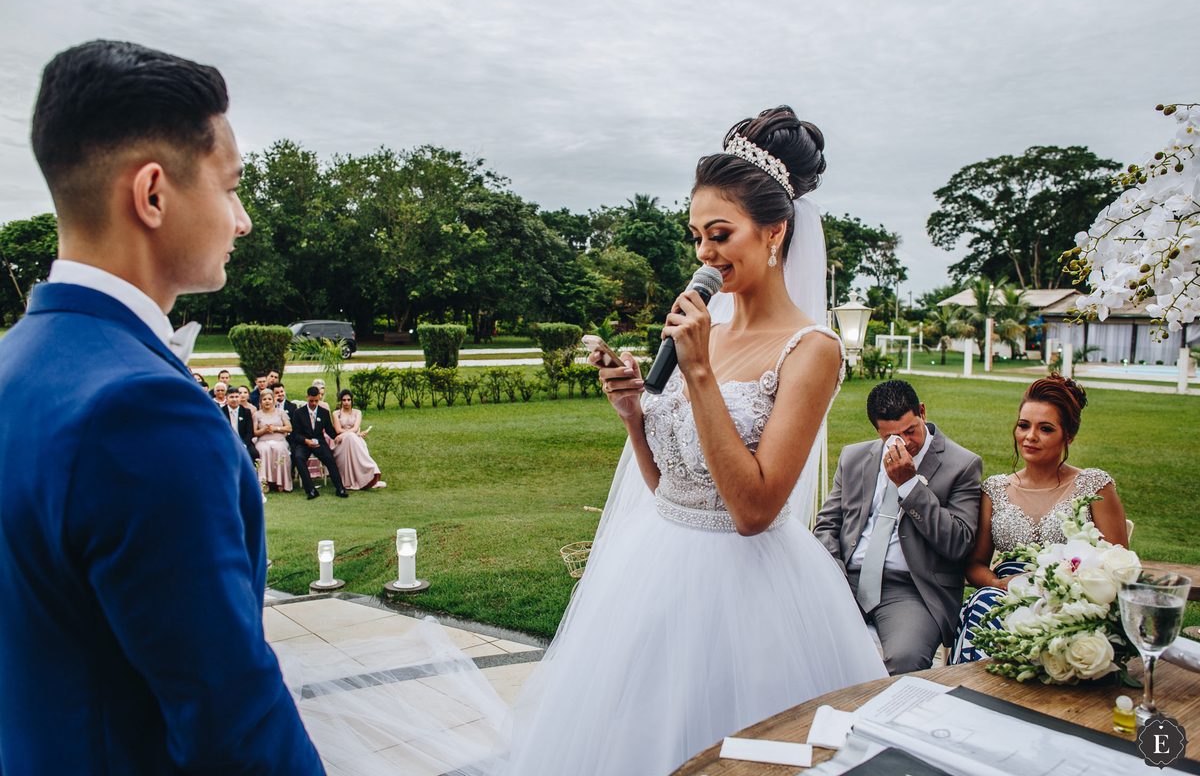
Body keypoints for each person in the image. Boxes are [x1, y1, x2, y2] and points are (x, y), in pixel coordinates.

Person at [276, 107, 887, 776]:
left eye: (720, 234)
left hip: (754, 598)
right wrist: (633, 411)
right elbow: (671, 488)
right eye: (696, 237)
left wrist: (702, 372)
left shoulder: (811, 350)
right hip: (657, 569)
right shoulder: (704, 327)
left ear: (774, 232)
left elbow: (752, 510)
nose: (704, 256)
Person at [0, 40, 321, 773]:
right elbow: (229, 720)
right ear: (152, 194)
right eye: (231, 187)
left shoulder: (13, 364)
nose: (242, 222)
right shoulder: (142, 410)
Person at [951, 374, 1129, 663]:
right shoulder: (995, 490)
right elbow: (974, 565)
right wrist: (1000, 585)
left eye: (1045, 428)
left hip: (1073, 603)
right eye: (1023, 425)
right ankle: (972, 694)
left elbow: (1120, 567)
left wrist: (1069, 593)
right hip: (1005, 595)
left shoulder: (1094, 486)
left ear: (1068, 436)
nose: (1030, 436)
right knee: (983, 604)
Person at [813, 379, 983, 675]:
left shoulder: (962, 465)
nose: (903, 442)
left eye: (910, 431)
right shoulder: (854, 458)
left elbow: (958, 542)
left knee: (905, 660)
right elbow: (827, 524)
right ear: (877, 431)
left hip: (912, 588)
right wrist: (833, 574)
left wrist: (909, 486)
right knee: (797, 639)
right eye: (891, 436)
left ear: (922, 413)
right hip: (847, 579)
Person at [291, 386, 348, 499]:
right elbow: (295, 434)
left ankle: (340, 488)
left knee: (330, 459)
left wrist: (340, 436)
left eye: (316, 400)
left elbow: (329, 430)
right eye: (311, 400)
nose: (313, 403)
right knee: (298, 457)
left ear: (319, 398)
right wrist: (306, 441)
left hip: (319, 442)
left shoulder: (324, 412)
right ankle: (311, 489)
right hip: (304, 443)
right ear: (307, 397)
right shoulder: (298, 413)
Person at [331, 389, 383, 489]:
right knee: (350, 436)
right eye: (344, 400)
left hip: (355, 439)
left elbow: (355, 428)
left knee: (352, 437)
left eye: (348, 400)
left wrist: (346, 434)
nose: (346, 402)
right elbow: (338, 430)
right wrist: (346, 435)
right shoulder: (336, 413)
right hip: (342, 443)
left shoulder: (357, 412)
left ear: (352, 400)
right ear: (341, 401)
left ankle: (370, 469)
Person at [254, 390, 293, 492]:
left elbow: (289, 428)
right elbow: (255, 432)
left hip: (279, 438)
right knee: (263, 450)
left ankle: (281, 482)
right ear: (261, 401)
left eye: (269, 399)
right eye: (264, 399)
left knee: (279, 449)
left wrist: (276, 429)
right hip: (263, 440)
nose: (267, 401)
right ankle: (264, 482)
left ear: (273, 401)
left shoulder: (281, 412)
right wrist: (264, 430)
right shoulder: (257, 414)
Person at [223, 385, 257, 463]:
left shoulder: (246, 412)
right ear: (226, 398)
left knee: (254, 453)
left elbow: (249, 432)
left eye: (236, 397)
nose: (234, 399)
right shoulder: (221, 412)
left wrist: (243, 444)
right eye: (231, 397)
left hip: (243, 441)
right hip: (227, 441)